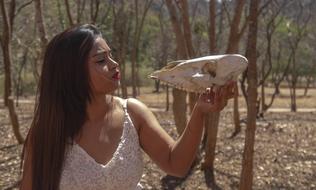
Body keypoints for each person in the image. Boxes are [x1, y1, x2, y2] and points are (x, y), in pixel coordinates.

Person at [20, 24, 236, 190]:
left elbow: (176, 164)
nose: (114, 64)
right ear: (72, 72)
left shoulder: (132, 114)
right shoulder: (47, 133)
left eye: (111, 55)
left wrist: (199, 112)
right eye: (101, 60)